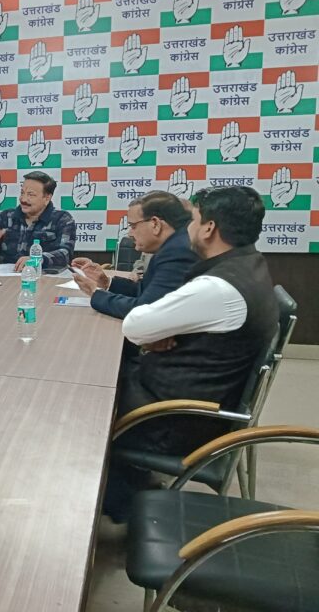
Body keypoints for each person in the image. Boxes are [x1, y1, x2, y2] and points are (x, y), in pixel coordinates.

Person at [104, 186, 279, 521]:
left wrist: (156, 333)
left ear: (209, 228)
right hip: (195, 400)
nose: (187, 230)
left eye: (193, 221)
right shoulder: (249, 265)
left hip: (172, 420)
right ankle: (131, 488)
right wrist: (161, 332)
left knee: (83, 405)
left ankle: (126, 506)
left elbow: (136, 324)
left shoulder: (217, 288)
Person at [72, 191, 197, 319]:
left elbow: (144, 310)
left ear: (155, 224)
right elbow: (143, 291)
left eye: (133, 226)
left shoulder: (177, 252)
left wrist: (95, 292)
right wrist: (105, 282)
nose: (129, 234)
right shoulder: (172, 246)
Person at [0, 171, 75, 271]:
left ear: (47, 198)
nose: (23, 199)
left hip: (43, 277)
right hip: (7, 277)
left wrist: (36, 260)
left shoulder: (62, 219)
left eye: (31, 195)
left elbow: (65, 255)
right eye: (22, 193)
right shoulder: (6, 217)